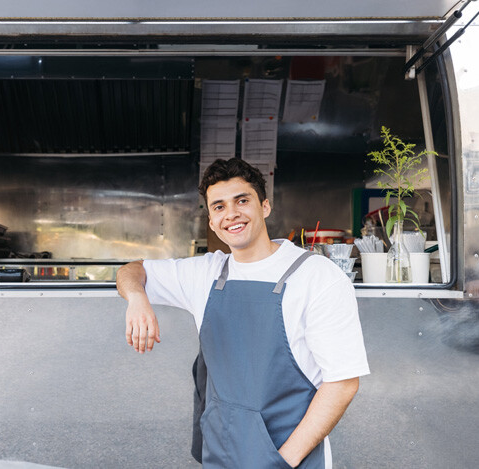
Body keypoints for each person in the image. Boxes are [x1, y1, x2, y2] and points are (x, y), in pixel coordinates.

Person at [116, 158, 370, 468]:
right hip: (223, 455)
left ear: (265, 206)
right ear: (211, 221)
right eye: (219, 207)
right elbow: (132, 270)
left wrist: (279, 462)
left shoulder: (317, 276)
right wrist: (137, 298)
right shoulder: (206, 273)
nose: (231, 214)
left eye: (242, 200)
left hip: (290, 459)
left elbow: (343, 383)